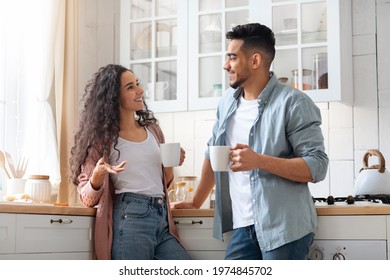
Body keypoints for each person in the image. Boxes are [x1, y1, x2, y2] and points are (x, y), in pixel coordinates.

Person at [174, 23, 329, 260]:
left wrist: (259, 161)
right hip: (242, 228)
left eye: (232, 58)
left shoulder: (294, 103)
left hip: (284, 229)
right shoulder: (227, 102)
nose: (226, 65)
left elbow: (317, 166)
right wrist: (196, 202)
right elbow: (211, 153)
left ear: (255, 61)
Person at [69, 64, 190, 260]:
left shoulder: (153, 130)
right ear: (113, 97)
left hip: (162, 216)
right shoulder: (102, 139)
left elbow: (165, 182)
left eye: (137, 84)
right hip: (131, 217)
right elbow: (87, 199)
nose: (140, 90)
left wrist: (171, 162)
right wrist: (97, 176)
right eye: (130, 87)